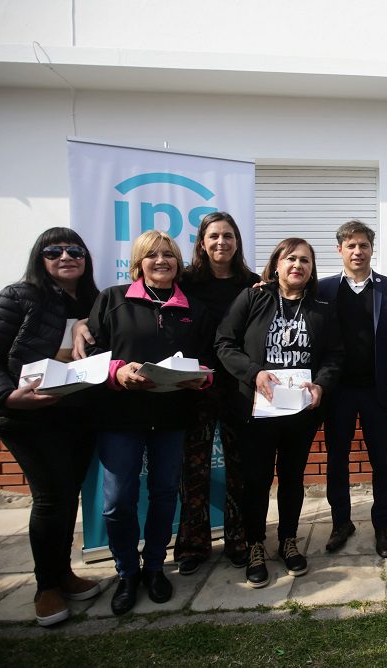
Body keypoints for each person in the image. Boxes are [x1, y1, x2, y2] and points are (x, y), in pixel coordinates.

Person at [0, 228, 104, 626]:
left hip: (77, 414)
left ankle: (63, 573)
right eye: (53, 251)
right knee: (50, 499)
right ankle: (46, 588)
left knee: (67, 495)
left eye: (74, 250)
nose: (65, 256)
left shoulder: (94, 301)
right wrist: (5, 395)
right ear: (39, 259)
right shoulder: (17, 297)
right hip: (28, 418)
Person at [86, 230, 215, 615]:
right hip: (121, 417)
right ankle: (127, 572)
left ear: (179, 262)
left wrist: (201, 377)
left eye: (169, 255)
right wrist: (118, 372)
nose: (162, 261)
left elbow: (208, 360)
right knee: (116, 503)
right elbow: (91, 352)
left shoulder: (194, 308)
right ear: (138, 262)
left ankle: (156, 566)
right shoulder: (113, 299)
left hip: (171, 417)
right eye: (153, 255)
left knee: (163, 496)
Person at [215, 238, 343, 588]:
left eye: (305, 260)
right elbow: (224, 343)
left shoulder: (321, 307)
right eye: (290, 258)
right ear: (276, 264)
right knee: (256, 481)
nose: (297, 265)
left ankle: (288, 540)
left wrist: (322, 385)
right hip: (257, 411)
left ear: (312, 268)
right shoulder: (254, 298)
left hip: (300, 413)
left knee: (292, 479)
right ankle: (256, 543)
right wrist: (253, 372)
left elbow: (334, 355)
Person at [318, 220, 387, 559]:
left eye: (364, 245)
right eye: (351, 245)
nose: (358, 251)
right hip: (337, 392)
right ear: (340, 249)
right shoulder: (323, 290)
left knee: (381, 461)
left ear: (372, 249)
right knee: (337, 461)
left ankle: (382, 524)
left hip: (378, 391)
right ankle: (341, 522)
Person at [173, 212, 260, 575]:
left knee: (240, 466)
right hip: (196, 385)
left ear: (237, 242)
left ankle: (239, 539)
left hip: (239, 386)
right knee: (194, 466)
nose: (221, 242)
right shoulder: (185, 282)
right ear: (202, 242)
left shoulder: (252, 283)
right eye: (214, 236)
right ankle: (193, 544)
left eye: (228, 235)